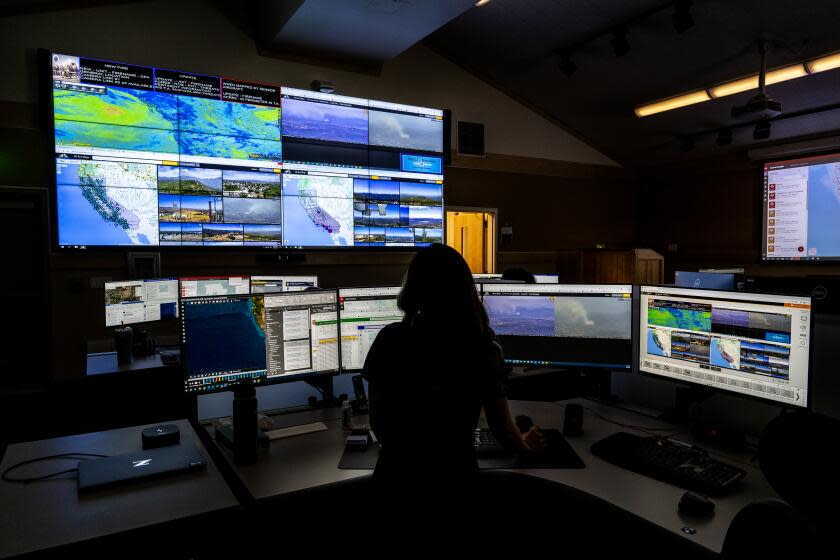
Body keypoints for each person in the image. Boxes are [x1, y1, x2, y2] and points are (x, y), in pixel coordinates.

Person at [362, 244, 544, 498]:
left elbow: (378, 424)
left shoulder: (389, 340)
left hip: (394, 482)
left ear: (413, 290)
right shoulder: (483, 350)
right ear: (466, 290)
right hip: (456, 483)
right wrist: (527, 447)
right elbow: (503, 432)